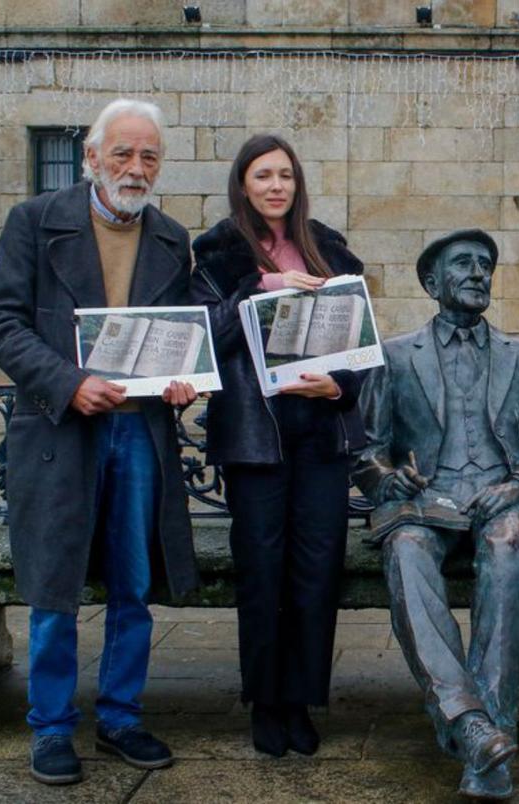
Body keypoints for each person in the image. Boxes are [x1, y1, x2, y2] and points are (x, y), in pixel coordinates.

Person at [0, 98, 199, 785]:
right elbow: (1, 324)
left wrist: (182, 382)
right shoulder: (34, 222)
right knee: (55, 586)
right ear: (91, 157)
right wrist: (68, 383)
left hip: (138, 431)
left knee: (134, 582)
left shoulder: (170, 238)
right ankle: (49, 728)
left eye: (149, 156)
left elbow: (175, 341)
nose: (136, 168)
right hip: (60, 431)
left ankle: (121, 718)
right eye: (124, 154)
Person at [354, 230, 519, 800]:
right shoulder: (395, 356)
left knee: (506, 545)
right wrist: (390, 478)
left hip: (501, 499)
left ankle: (487, 741)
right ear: (431, 283)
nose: (478, 273)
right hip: (427, 502)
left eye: (485, 265)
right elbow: (368, 453)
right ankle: (473, 725)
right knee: (405, 549)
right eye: (463, 264)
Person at [190, 133, 365, 758]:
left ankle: (301, 700)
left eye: (285, 176)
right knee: (262, 572)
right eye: (263, 176)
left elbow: (360, 350)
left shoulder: (331, 251)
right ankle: (265, 702)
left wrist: (338, 386)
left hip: (320, 434)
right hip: (254, 438)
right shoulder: (215, 254)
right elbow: (205, 339)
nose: (275, 187)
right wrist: (258, 290)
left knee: (316, 571)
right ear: (243, 184)